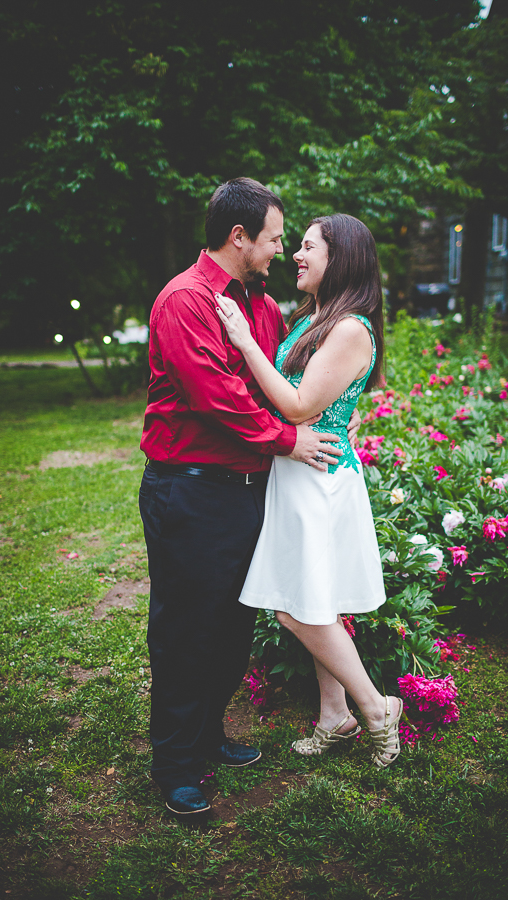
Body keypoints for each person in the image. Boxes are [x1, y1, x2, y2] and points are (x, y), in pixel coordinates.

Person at [139, 177, 351, 817]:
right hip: (192, 490)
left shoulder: (256, 304)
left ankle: (208, 734)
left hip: (247, 489)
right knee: (185, 629)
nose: (281, 251)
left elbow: (270, 375)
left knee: (233, 623)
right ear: (240, 237)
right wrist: (289, 439)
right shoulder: (185, 300)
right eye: (275, 238)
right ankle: (175, 763)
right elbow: (218, 398)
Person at [216, 213, 401, 769]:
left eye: (307, 247)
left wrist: (246, 342)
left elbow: (297, 407)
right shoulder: (314, 318)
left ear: (339, 257)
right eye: (294, 246)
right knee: (313, 601)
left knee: (295, 610)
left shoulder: (350, 327)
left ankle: (374, 707)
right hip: (296, 475)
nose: (296, 255)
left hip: (317, 481)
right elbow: (318, 394)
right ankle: (333, 715)